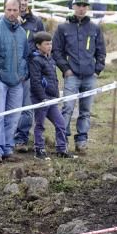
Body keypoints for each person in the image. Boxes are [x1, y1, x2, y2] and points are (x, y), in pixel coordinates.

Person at [53, 0, 105, 153]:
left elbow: (101, 51)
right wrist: (66, 69)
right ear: (73, 6)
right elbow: (57, 51)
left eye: (84, 5)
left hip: (89, 76)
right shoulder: (63, 28)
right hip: (72, 75)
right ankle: (62, 140)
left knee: (86, 110)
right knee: (67, 108)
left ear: (87, 7)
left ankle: (82, 139)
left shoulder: (95, 28)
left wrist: (97, 70)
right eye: (79, 5)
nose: (82, 8)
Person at [0, 0, 29, 163]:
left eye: (15, 10)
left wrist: (23, 74)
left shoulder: (22, 33)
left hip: (17, 82)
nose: (11, 13)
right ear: (4, 9)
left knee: (14, 116)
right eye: (9, 9)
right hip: (0, 81)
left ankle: (8, 147)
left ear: (19, 11)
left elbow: (25, 56)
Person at [14, 0, 47, 152]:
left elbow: (44, 45)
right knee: (8, 107)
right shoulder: (7, 19)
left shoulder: (36, 22)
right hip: (10, 70)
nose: (23, 2)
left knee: (26, 107)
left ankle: (21, 139)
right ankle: (4, 138)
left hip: (28, 70)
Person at [28, 31, 71, 160]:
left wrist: (56, 95)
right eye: (46, 44)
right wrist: (43, 98)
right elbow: (35, 81)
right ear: (38, 45)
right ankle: (39, 150)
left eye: (50, 44)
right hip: (41, 99)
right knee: (40, 124)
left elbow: (54, 79)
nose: (49, 46)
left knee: (61, 123)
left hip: (52, 99)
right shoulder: (35, 60)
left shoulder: (51, 59)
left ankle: (62, 149)